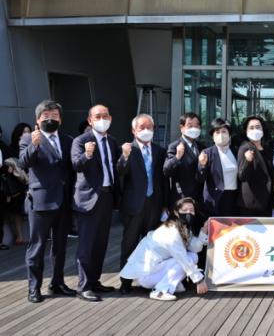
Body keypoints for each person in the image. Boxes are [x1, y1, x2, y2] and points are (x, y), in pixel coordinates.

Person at [19, 100, 76, 303]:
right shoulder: (28, 138)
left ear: (60, 119)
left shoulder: (68, 140)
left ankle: (57, 283)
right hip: (40, 200)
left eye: (54, 116)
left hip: (63, 200)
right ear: (37, 119)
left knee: (60, 245)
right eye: (46, 116)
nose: (50, 119)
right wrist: (34, 145)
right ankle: (34, 288)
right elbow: (24, 162)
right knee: (37, 246)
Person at [71, 104, 121, 302]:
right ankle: (83, 286)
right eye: (98, 116)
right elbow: (76, 164)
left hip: (107, 197)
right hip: (88, 199)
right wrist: (88, 154)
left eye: (105, 116)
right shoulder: (80, 141)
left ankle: (94, 280)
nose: (102, 119)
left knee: (101, 243)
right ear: (90, 120)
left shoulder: (112, 141)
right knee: (86, 244)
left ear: (111, 118)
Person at [117, 114, 169, 295]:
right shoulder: (127, 149)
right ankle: (126, 281)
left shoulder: (159, 151)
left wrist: (165, 204)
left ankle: (149, 279)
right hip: (134, 205)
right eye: (142, 127)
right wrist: (124, 156)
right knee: (129, 244)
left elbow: (163, 180)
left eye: (149, 127)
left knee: (152, 245)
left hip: (154, 204)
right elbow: (120, 172)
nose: (146, 130)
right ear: (134, 130)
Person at [119, 197, 209, 301]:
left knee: (193, 256)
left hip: (154, 270)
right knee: (185, 260)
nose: (188, 213)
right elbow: (183, 258)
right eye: (184, 210)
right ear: (176, 213)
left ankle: (166, 284)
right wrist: (199, 280)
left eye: (191, 210)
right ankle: (160, 291)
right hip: (146, 275)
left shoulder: (184, 227)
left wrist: (203, 231)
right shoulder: (171, 231)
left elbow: (195, 248)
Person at [197, 118, 239, 217]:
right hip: (215, 198)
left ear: (229, 135)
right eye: (217, 132)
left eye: (224, 131)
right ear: (213, 136)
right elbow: (200, 178)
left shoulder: (236, 151)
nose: (221, 135)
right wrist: (202, 165)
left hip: (233, 197)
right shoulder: (207, 153)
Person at [163, 113, 205, 208]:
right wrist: (177, 157)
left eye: (197, 125)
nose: (194, 128)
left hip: (199, 197)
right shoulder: (174, 146)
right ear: (182, 128)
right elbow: (166, 171)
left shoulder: (202, 147)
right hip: (181, 198)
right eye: (190, 125)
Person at [237, 116, 274, 217]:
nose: (255, 130)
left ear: (262, 129)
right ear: (246, 131)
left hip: (267, 202)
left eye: (258, 127)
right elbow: (242, 176)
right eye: (251, 128)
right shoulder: (244, 148)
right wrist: (248, 161)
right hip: (251, 203)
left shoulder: (268, 149)